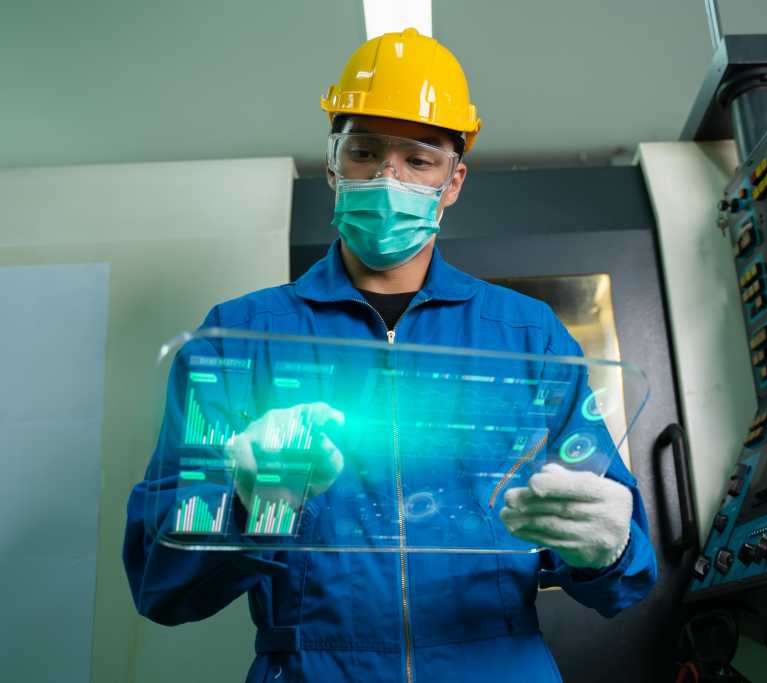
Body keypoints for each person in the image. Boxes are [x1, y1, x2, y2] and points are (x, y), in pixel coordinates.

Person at [124, 28, 657, 682]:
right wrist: (244, 506)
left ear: (453, 180)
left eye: (418, 159)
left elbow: (626, 575)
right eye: (365, 152)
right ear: (332, 164)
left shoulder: (529, 337)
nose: (388, 178)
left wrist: (607, 548)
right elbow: (160, 580)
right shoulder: (239, 341)